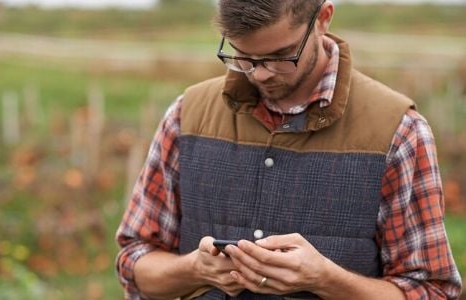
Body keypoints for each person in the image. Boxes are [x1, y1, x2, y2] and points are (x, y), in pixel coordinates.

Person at [116, 0, 463, 299]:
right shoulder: (185, 115)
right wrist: (195, 269)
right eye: (245, 56)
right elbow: (135, 261)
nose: (262, 74)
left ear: (324, 17)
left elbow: (432, 290)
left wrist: (326, 280)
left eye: (282, 56)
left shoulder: (399, 133)